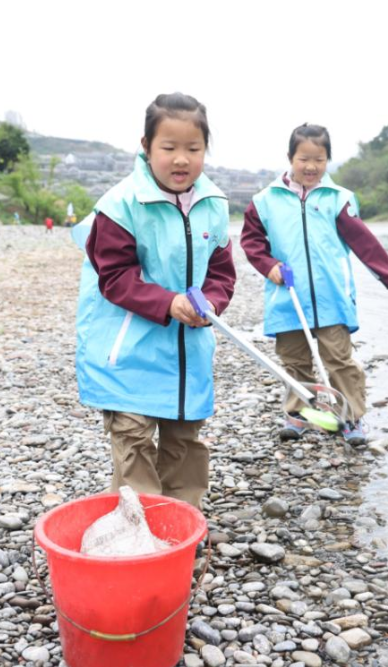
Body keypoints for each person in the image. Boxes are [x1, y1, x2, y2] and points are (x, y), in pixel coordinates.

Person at [73, 92, 235, 508]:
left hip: (188, 355)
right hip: (129, 350)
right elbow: (114, 277)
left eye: (193, 149)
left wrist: (211, 303)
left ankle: (182, 523)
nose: (181, 159)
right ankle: (139, 531)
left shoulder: (214, 206)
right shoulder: (120, 206)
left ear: (205, 150)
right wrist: (168, 303)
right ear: (146, 147)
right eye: (169, 148)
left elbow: (221, 272)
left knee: (184, 441)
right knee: (133, 440)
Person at [240, 123, 388, 446]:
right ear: (290, 157)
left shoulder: (339, 199)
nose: (311, 166)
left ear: (328, 160)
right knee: (294, 360)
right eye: (303, 158)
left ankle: (351, 417)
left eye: (319, 159)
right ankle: (298, 413)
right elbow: (251, 243)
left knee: (340, 360)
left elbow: (363, 242)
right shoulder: (265, 201)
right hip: (287, 297)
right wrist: (270, 266)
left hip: (332, 297)